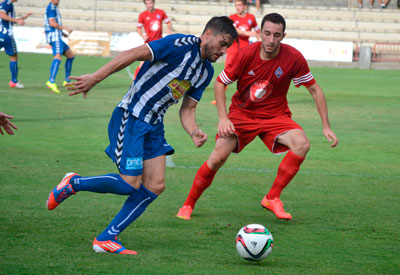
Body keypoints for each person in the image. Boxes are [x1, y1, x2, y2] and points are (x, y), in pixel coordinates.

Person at [46, 16, 238, 255]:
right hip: (132, 116)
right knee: (129, 183)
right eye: (223, 43)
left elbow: (187, 108)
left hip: (154, 126)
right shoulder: (179, 44)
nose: (224, 51)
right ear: (208, 33)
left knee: (156, 185)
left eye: (227, 47)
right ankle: (73, 183)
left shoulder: (205, 71)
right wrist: (96, 77)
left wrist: (194, 131)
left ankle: (106, 238)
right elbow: (133, 54)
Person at [177, 13, 339, 221]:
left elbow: (315, 90)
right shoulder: (245, 54)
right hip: (242, 115)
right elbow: (220, 82)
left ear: (283, 36)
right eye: (267, 34)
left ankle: (272, 198)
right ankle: (188, 203)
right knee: (218, 157)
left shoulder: (294, 58)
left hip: (275, 116)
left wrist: (326, 126)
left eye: (277, 35)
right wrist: (223, 118)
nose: (271, 40)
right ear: (260, 32)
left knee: (302, 143)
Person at [134, 0, 172, 79]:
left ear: (153, 3)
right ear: (145, 4)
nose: (149, 5)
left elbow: (168, 22)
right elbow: (138, 28)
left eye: (151, 3)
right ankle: (135, 80)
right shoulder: (142, 15)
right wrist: (142, 35)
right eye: (147, 3)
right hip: (149, 43)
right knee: (142, 64)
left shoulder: (161, 12)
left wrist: (168, 29)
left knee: (163, 62)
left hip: (160, 43)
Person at [44, 0, 74, 94]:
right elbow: (52, 23)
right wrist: (65, 28)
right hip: (54, 37)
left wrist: (63, 34)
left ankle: (67, 81)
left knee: (70, 55)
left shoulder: (54, 7)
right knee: (57, 57)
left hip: (57, 36)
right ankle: (51, 81)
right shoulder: (51, 8)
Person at [0, 0, 32, 88]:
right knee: (13, 57)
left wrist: (23, 18)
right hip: (7, 35)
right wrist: (16, 20)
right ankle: (14, 81)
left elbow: (8, 20)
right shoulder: (8, 4)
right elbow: (1, 15)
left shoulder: (4, 3)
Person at [226, 0, 260, 71]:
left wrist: (258, 43)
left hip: (246, 51)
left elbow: (258, 31)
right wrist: (247, 33)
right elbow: (235, 30)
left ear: (245, 6)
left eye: (240, 5)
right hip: (233, 50)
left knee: (245, 74)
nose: (237, 7)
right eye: (236, 5)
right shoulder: (232, 17)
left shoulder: (251, 17)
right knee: (228, 72)